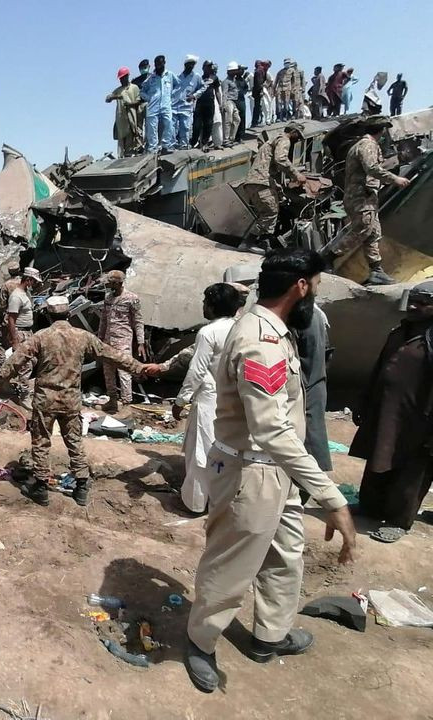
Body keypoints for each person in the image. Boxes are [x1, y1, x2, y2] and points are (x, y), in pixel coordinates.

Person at [184, 249, 356, 694]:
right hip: (250, 474)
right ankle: (200, 643)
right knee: (229, 566)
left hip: (278, 472)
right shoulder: (259, 338)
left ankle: (269, 637)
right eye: (315, 286)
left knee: (285, 557)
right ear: (301, 285)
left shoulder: (277, 332)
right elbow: (269, 428)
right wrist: (331, 496)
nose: (314, 295)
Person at [0, 296, 158, 507]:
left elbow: (16, 360)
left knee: (41, 442)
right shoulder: (83, 337)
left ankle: (41, 488)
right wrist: (138, 368)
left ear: (47, 314)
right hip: (71, 401)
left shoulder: (41, 336)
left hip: (45, 401)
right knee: (74, 441)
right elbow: (111, 355)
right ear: (69, 314)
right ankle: (81, 486)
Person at [348, 281, 433, 543]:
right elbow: (378, 369)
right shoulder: (399, 333)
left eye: (422, 302)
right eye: (413, 300)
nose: (414, 306)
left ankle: (399, 520)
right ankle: (371, 507)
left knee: (412, 470)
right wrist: (363, 402)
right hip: (385, 411)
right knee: (378, 458)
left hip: (420, 421)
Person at [172, 284, 245, 513]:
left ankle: (195, 503)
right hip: (235, 400)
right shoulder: (240, 328)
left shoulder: (208, 333)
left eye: (205, 302)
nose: (202, 307)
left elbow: (197, 371)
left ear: (213, 306)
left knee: (201, 452)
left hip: (209, 399)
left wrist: (180, 401)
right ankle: (220, 501)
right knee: (227, 452)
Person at [323, 116, 411, 286]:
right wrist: (395, 179)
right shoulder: (367, 145)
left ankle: (376, 271)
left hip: (366, 196)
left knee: (372, 233)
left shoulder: (362, 145)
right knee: (363, 229)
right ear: (382, 129)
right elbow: (371, 168)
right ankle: (329, 257)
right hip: (360, 197)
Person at [239, 123, 307, 255]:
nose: (298, 138)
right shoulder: (284, 140)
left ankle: (265, 244)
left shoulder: (272, 141)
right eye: (298, 135)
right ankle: (248, 243)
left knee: (270, 211)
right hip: (261, 182)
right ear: (292, 131)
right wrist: (297, 175)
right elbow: (281, 159)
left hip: (255, 182)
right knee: (270, 212)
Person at [295, 305, 332, 484]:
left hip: (306, 385)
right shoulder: (317, 314)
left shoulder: (302, 317)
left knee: (307, 439)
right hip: (314, 382)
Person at [98, 270, 145, 409]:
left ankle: (126, 401)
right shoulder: (108, 298)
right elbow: (103, 320)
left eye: (111, 283)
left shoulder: (132, 298)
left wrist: (141, 342)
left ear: (119, 283)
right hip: (108, 340)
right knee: (108, 371)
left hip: (123, 340)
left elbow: (138, 321)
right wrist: (99, 338)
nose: (109, 285)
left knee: (124, 371)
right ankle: (112, 400)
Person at [4, 267, 41, 403]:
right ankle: (24, 396)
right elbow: (11, 319)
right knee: (26, 364)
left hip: (27, 332)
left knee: (30, 361)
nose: (35, 284)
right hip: (20, 333)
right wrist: (15, 340)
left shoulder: (25, 293)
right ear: (28, 280)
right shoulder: (16, 296)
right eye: (34, 281)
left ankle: (5, 382)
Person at [140, 55, 177, 153]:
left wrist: (172, 97)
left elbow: (178, 86)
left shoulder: (170, 75)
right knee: (152, 128)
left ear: (164, 63)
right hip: (153, 106)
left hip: (166, 105)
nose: (158, 66)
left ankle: (166, 146)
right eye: (156, 65)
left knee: (169, 124)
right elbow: (142, 91)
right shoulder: (150, 78)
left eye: (160, 64)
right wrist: (149, 98)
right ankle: (152, 149)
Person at [105, 67, 143, 157]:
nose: (121, 80)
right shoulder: (118, 90)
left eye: (123, 77)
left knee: (132, 136)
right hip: (120, 118)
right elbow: (107, 99)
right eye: (120, 78)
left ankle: (129, 154)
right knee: (121, 139)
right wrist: (113, 97)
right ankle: (121, 156)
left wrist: (129, 103)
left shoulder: (134, 87)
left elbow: (138, 101)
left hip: (131, 116)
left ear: (127, 76)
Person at [172, 54, 205, 150]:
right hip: (175, 106)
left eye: (193, 64)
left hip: (186, 107)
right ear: (185, 65)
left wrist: (194, 96)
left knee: (185, 128)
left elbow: (203, 87)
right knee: (173, 128)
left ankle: (184, 145)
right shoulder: (179, 77)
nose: (191, 66)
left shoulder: (196, 77)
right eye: (190, 64)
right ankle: (173, 145)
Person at [0, 261, 23, 365]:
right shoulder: (24, 283)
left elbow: (2, 305)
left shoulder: (6, 285)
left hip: (10, 318)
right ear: (19, 270)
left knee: (1, 342)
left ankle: (2, 367)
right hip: (24, 319)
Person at [192, 61, 222, 149]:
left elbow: (217, 91)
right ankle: (193, 142)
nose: (209, 68)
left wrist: (220, 103)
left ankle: (205, 144)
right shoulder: (199, 78)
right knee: (196, 125)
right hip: (200, 103)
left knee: (208, 124)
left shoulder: (214, 78)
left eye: (210, 67)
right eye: (207, 67)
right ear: (203, 68)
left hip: (210, 103)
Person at [220, 62, 243, 146]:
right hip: (228, 102)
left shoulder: (234, 81)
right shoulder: (226, 82)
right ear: (229, 71)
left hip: (234, 102)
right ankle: (226, 140)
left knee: (237, 119)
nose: (235, 72)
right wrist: (223, 104)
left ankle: (231, 138)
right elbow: (224, 93)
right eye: (234, 71)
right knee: (228, 121)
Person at [132, 58, 150, 148]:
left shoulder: (153, 78)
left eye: (145, 67)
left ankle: (148, 144)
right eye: (142, 68)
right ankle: (139, 145)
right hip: (138, 105)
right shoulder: (135, 81)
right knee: (138, 125)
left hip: (150, 104)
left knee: (149, 125)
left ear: (149, 67)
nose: (143, 69)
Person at [251, 60, 271, 127]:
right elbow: (259, 83)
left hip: (257, 91)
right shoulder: (260, 71)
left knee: (257, 107)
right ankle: (255, 122)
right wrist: (261, 91)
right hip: (258, 91)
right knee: (258, 107)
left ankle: (255, 122)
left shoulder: (261, 71)